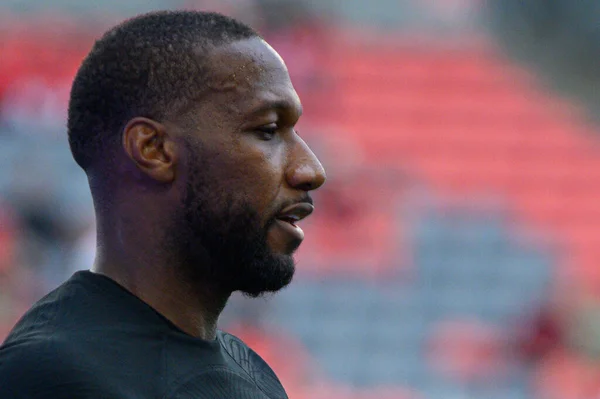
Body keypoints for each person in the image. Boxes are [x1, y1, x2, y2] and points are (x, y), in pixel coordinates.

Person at [0, 10, 326, 399]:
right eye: (268, 131)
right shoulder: (50, 377)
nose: (311, 170)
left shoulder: (252, 374)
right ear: (153, 149)